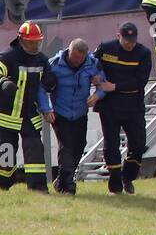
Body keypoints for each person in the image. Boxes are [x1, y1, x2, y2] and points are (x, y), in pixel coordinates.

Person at [0, 22, 58, 192]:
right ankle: (3, 186)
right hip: (5, 115)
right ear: (20, 39)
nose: (34, 46)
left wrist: (51, 83)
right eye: (30, 42)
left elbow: (47, 81)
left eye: (37, 42)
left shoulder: (41, 59)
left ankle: (38, 189)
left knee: (35, 151)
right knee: (7, 152)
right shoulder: (8, 56)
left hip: (28, 115)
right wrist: (2, 82)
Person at [39, 38, 111, 195]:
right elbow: (41, 87)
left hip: (80, 112)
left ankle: (62, 179)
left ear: (85, 56)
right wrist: (46, 109)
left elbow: (103, 84)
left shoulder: (92, 64)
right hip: (60, 112)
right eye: (74, 57)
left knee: (79, 145)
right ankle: (68, 186)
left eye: (80, 59)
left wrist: (97, 96)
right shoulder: (55, 64)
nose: (76, 61)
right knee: (66, 146)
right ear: (69, 51)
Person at [95, 22, 154, 194]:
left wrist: (115, 86)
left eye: (132, 40)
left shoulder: (143, 53)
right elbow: (91, 66)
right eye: (126, 40)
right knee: (111, 144)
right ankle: (115, 185)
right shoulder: (105, 49)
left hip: (133, 106)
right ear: (118, 35)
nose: (130, 43)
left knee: (138, 144)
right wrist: (95, 79)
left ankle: (128, 178)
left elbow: (140, 81)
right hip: (110, 107)